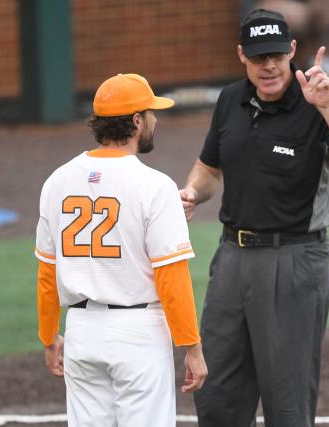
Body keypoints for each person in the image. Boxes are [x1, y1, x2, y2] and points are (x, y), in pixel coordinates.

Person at [180, 9, 329, 427]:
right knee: (216, 399)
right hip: (231, 260)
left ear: (292, 50)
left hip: (295, 260)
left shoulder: (322, 100)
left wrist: (327, 109)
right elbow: (209, 168)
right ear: (241, 56)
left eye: (276, 54)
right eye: (258, 57)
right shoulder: (230, 100)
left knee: (287, 406)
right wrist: (193, 192)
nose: (268, 66)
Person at [35, 73, 208, 426]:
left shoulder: (57, 180)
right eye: (151, 113)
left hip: (82, 332)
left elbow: (47, 273)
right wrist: (192, 347)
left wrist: (49, 335)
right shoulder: (156, 186)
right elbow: (171, 277)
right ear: (136, 121)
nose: (156, 121)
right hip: (139, 335)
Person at [242, 0, 329, 81]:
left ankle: (319, 60)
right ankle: (279, 68)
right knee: (296, 14)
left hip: (302, 5)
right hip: (262, 5)